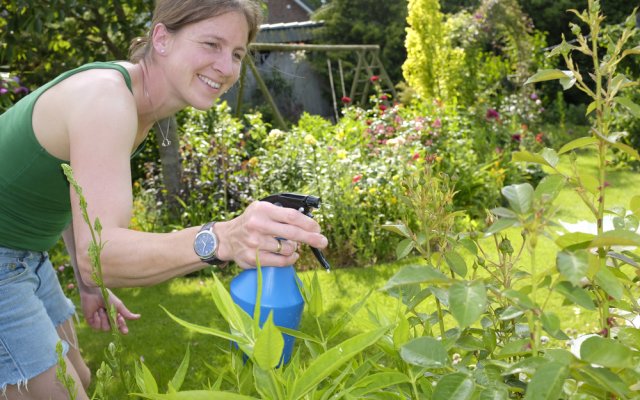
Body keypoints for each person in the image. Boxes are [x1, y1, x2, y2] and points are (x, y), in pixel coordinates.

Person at [0, 0, 328, 398]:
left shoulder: (134, 103)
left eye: (237, 53)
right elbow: (101, 256)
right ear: (161, 38)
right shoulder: (106, 100)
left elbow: (73, 190)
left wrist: (88, 284)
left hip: (22, 252)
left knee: (78, 379)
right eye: (211, 44)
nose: (227, 67)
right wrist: (223, 238)